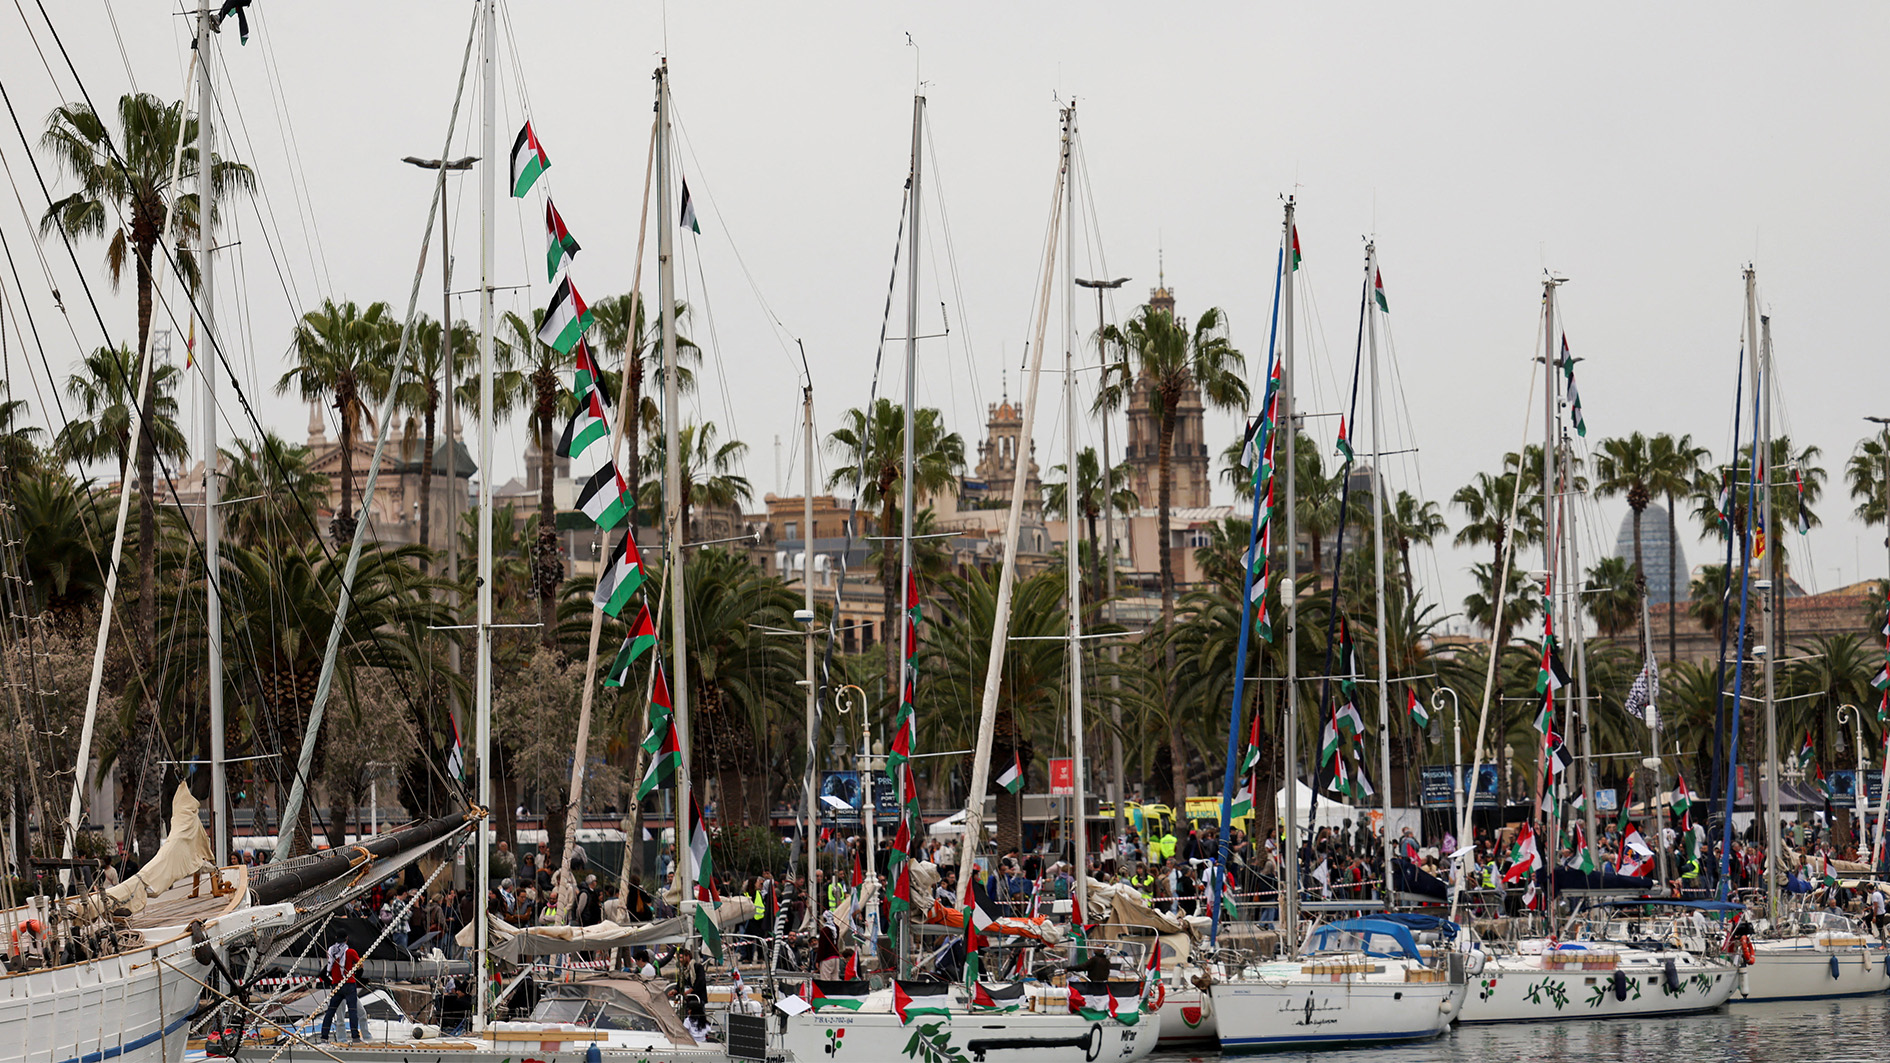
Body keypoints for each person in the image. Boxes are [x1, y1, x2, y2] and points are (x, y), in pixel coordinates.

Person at [321, 932, 365, 1042]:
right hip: (349, 984)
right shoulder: (350, 952)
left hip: (336, 985)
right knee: (352, 1011)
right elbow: (360, 966)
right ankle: (355, 1036)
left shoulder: (331, 952)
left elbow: (326, 970)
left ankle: (324, 1037)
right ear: (347, 939)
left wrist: (331, 982)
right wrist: (355, 974)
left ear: (336, 938)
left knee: (330, 1012)